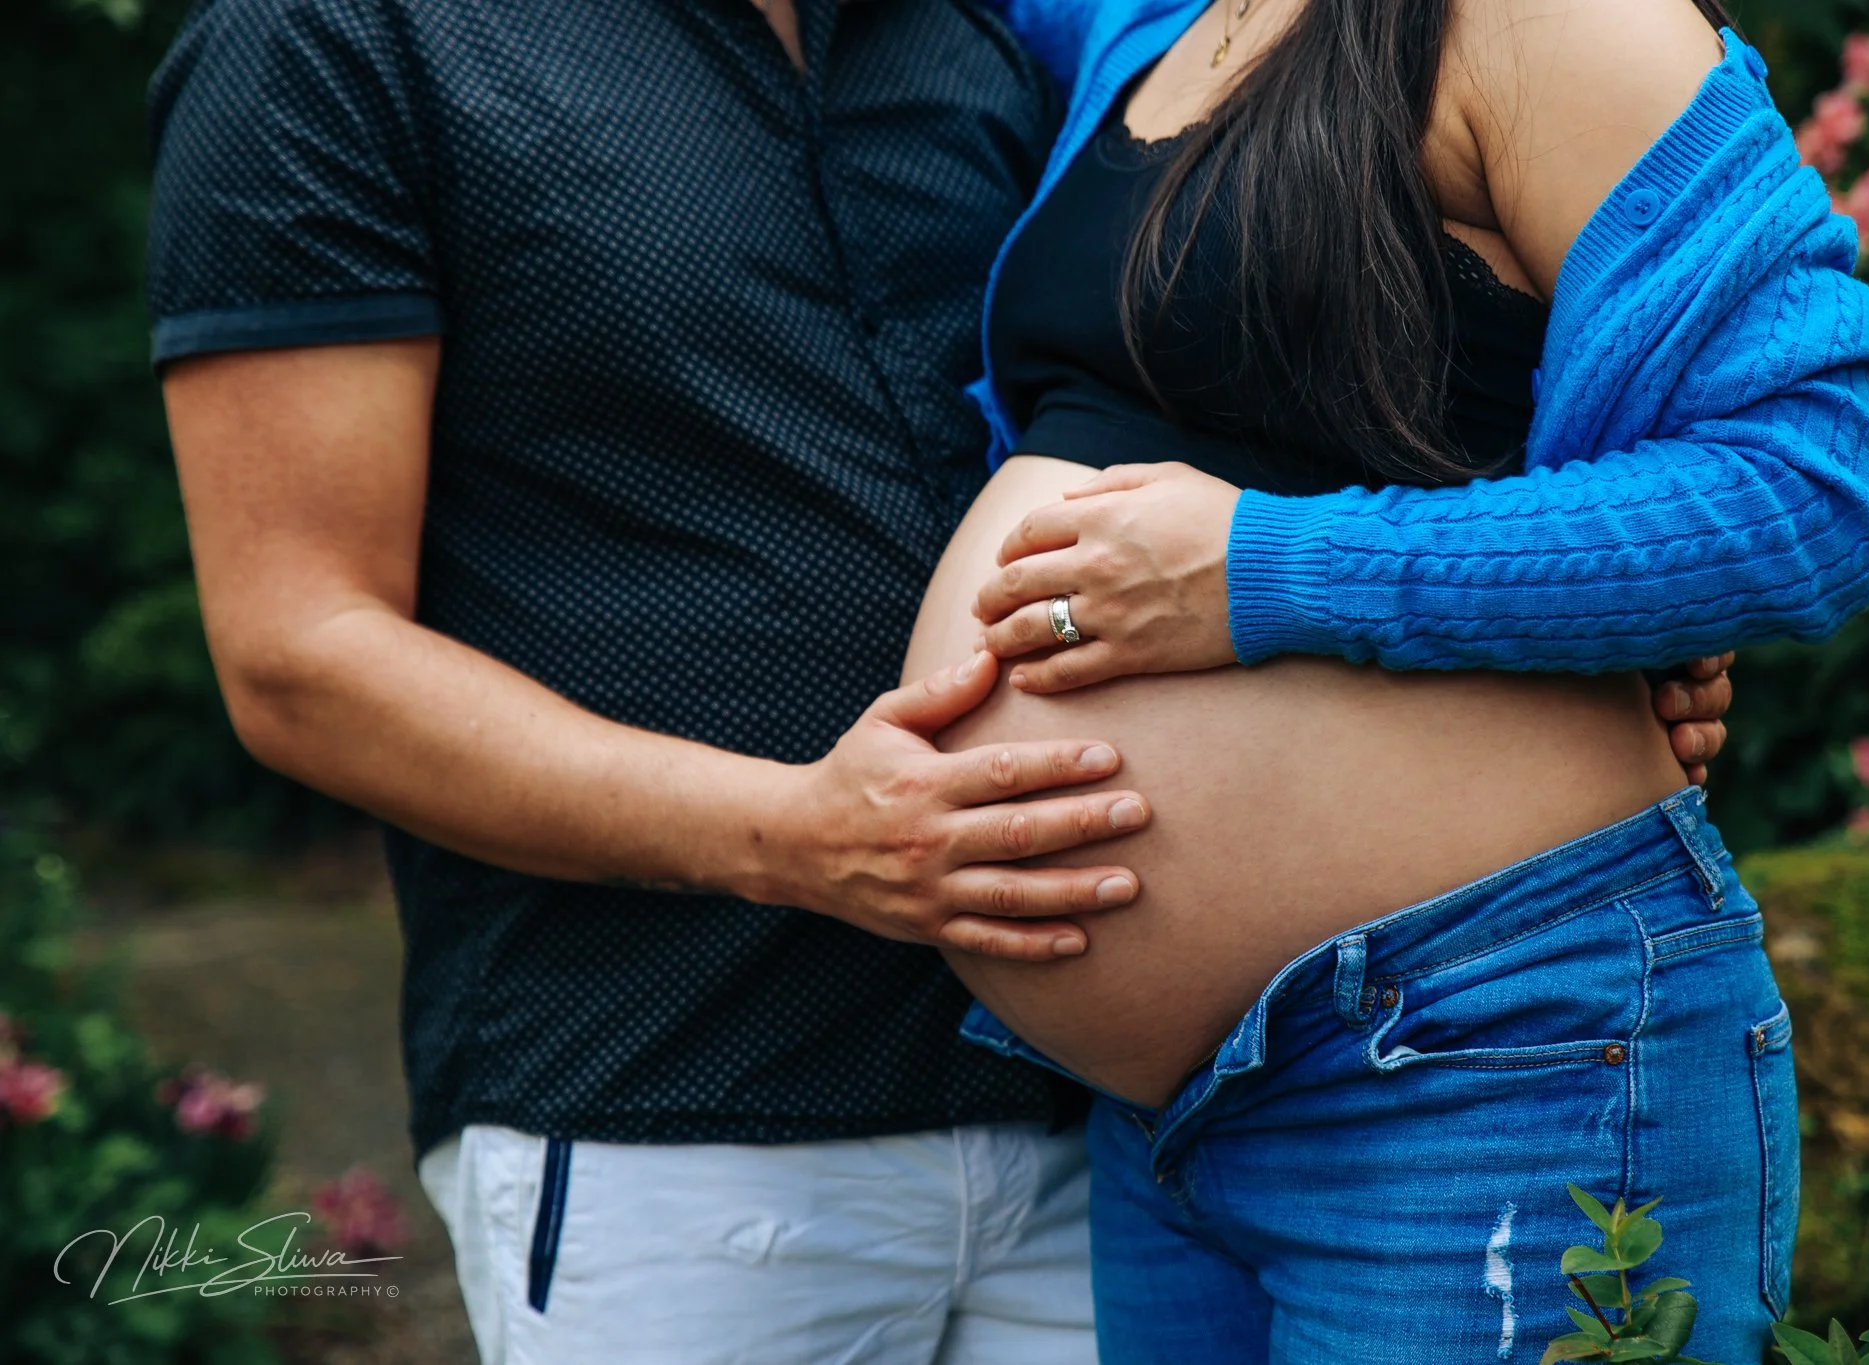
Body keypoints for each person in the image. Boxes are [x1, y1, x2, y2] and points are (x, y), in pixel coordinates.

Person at [144, 0, 1732, 1359]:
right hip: (678, 1102)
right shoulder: (339, 39)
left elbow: (1334, 316)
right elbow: (302, 656)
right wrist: (788, 836)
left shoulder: (1005, 22)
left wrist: (1590, 604)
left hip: (1111, 1126)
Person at [890, 0, 1869, 1359]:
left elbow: (1806, 493)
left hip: (1487, 1068)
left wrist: (1268, 571)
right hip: (1166, 1130)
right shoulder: (1155, 18)